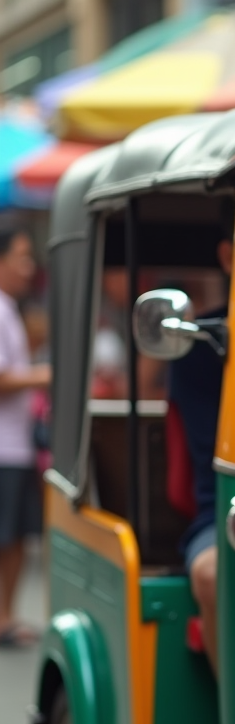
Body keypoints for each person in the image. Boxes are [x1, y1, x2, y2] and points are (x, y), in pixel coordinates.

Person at [170, 220, 234, 674]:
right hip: (221, 511)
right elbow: (209, 447)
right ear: (230, 257)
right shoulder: (199, 345)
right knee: (210, 574)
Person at [0, 220, 51, 647]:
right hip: (4, 446)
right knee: (7, 535)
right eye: (21, 257)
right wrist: (47, 374)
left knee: (16, 535)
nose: (29, 267)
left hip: (15, 445)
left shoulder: (9, 308)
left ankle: (6, 616)